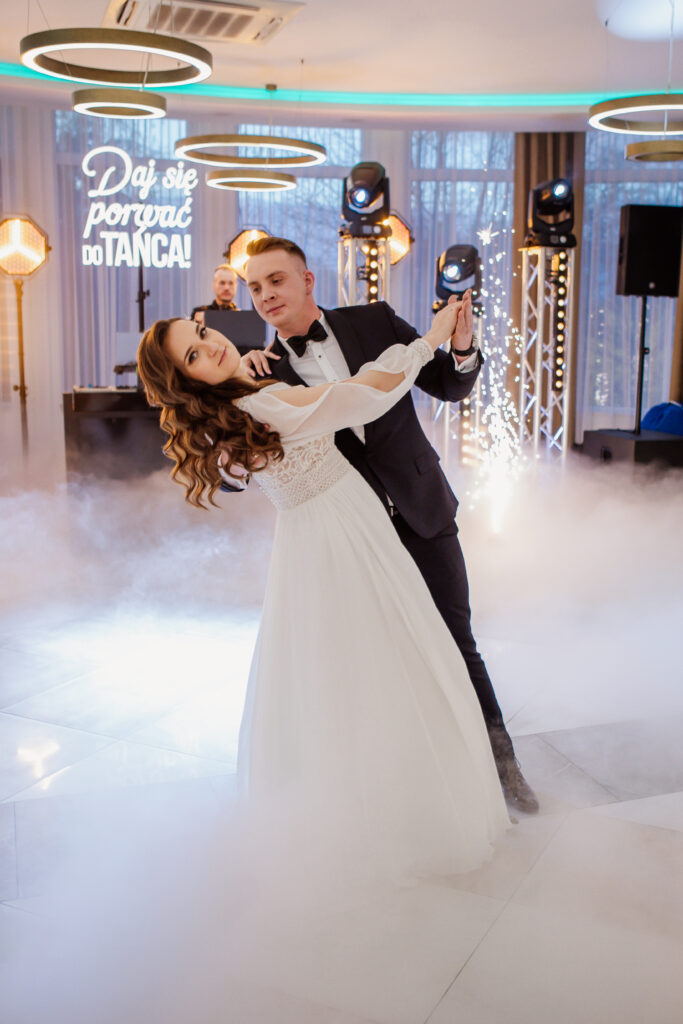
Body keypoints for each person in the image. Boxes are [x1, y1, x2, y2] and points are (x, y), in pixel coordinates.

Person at [137, 304, 510, 878]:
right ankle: (399, 819)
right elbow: (362, 394)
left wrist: (245, 372)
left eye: (204, 333)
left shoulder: (243, 401)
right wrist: (430, 339)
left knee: (348, 673)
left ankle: (365, 809)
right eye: (194, 354)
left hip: (316, 538)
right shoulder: (260, 404)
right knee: (391, 665)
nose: (211, 346)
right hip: (341, 537)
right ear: (186, 382)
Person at [241, 235, 538, 813]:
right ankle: (416, 789)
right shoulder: (262, 373)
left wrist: (462, 344)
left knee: (458, 645)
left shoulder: (374, 321)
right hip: (352, 538)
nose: (266, 295)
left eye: (276, 280)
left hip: (424, 511)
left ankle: (504, 774)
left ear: (307, 280)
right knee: (381, 662)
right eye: (255, 288)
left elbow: (449, 385)